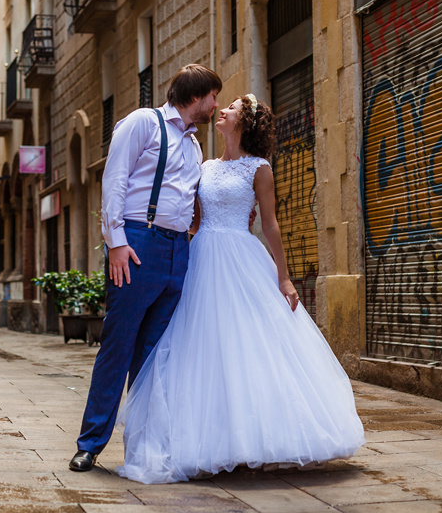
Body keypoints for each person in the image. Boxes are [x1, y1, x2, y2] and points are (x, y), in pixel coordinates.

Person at [116, 94, 366, 484]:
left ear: (244, 122)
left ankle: (264, 440)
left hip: (241, 255)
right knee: (199, 346)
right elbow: (193, 217)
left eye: (231, 107)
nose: (222, 110)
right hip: (201, 257)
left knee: (249, 346)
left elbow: (270, 225)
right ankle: (204, 437)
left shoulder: (259, 169)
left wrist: (283, 277)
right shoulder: (206, 165)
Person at [69, 64, 223, 473]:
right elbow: (114, 180)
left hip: (178, 252)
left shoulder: (194, 147)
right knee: (118, 347)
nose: (216, 105)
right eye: (214, 97)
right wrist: (115, 242)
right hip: (137, 244)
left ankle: (142, 448)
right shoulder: (143, 123)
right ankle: (91, 444)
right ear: (197, 94)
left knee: (155, 357)